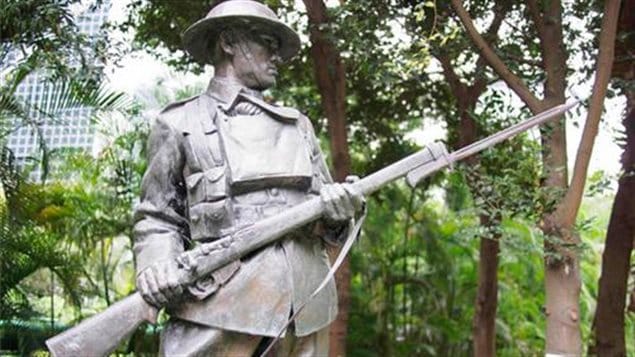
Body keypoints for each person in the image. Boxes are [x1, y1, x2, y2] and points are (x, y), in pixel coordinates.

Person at [132, 1, 364, 355]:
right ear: (228, 41)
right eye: (267, 42)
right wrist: (156, 266)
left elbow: (327, 214)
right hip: (218, 305)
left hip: (305, 306)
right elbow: (157, 215)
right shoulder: (180, 122)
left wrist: (339, 211)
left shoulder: (299, 126)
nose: (278, 56)